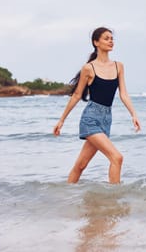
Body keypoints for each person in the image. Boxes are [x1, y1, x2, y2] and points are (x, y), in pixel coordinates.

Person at [53, 27, 141, 184]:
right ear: (96, 42)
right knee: (117, 157)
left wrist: (133, 114)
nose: (111, 41)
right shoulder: (89, 68)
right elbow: (77, 95)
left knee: (81, 165)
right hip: (91, 119)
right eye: (107, 38)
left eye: (112, 38)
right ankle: (114, 200)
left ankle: (64, 196)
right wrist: (61, 121)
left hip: (106, 120)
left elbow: (123, 94)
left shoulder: (118, 66)